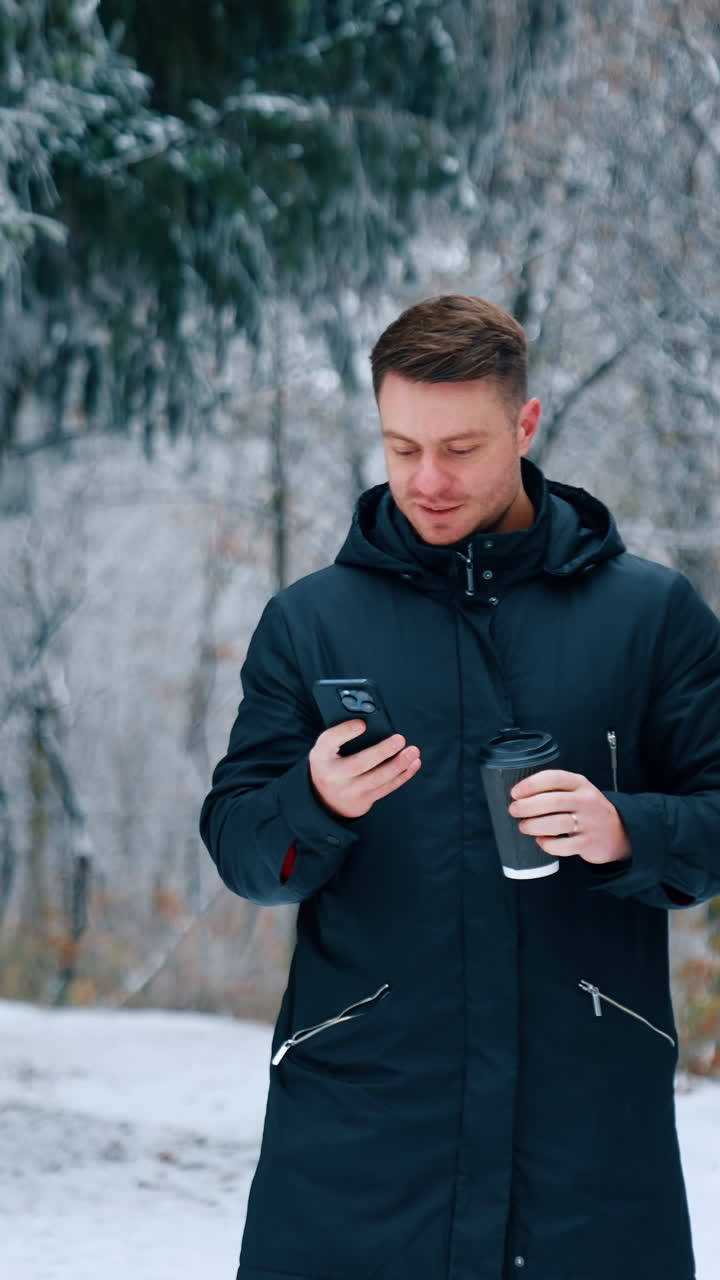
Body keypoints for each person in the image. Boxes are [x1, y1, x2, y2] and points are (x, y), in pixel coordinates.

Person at [199, 295, 720, 1280]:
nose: (426, 482)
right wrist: (312, 802)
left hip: (588, 1143)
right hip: (362, 1137)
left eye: (460, 448)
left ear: (525, 426)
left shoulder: (651, 616)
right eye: (402, 448)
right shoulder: (313, 624)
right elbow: (241, 847)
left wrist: (627, 829)